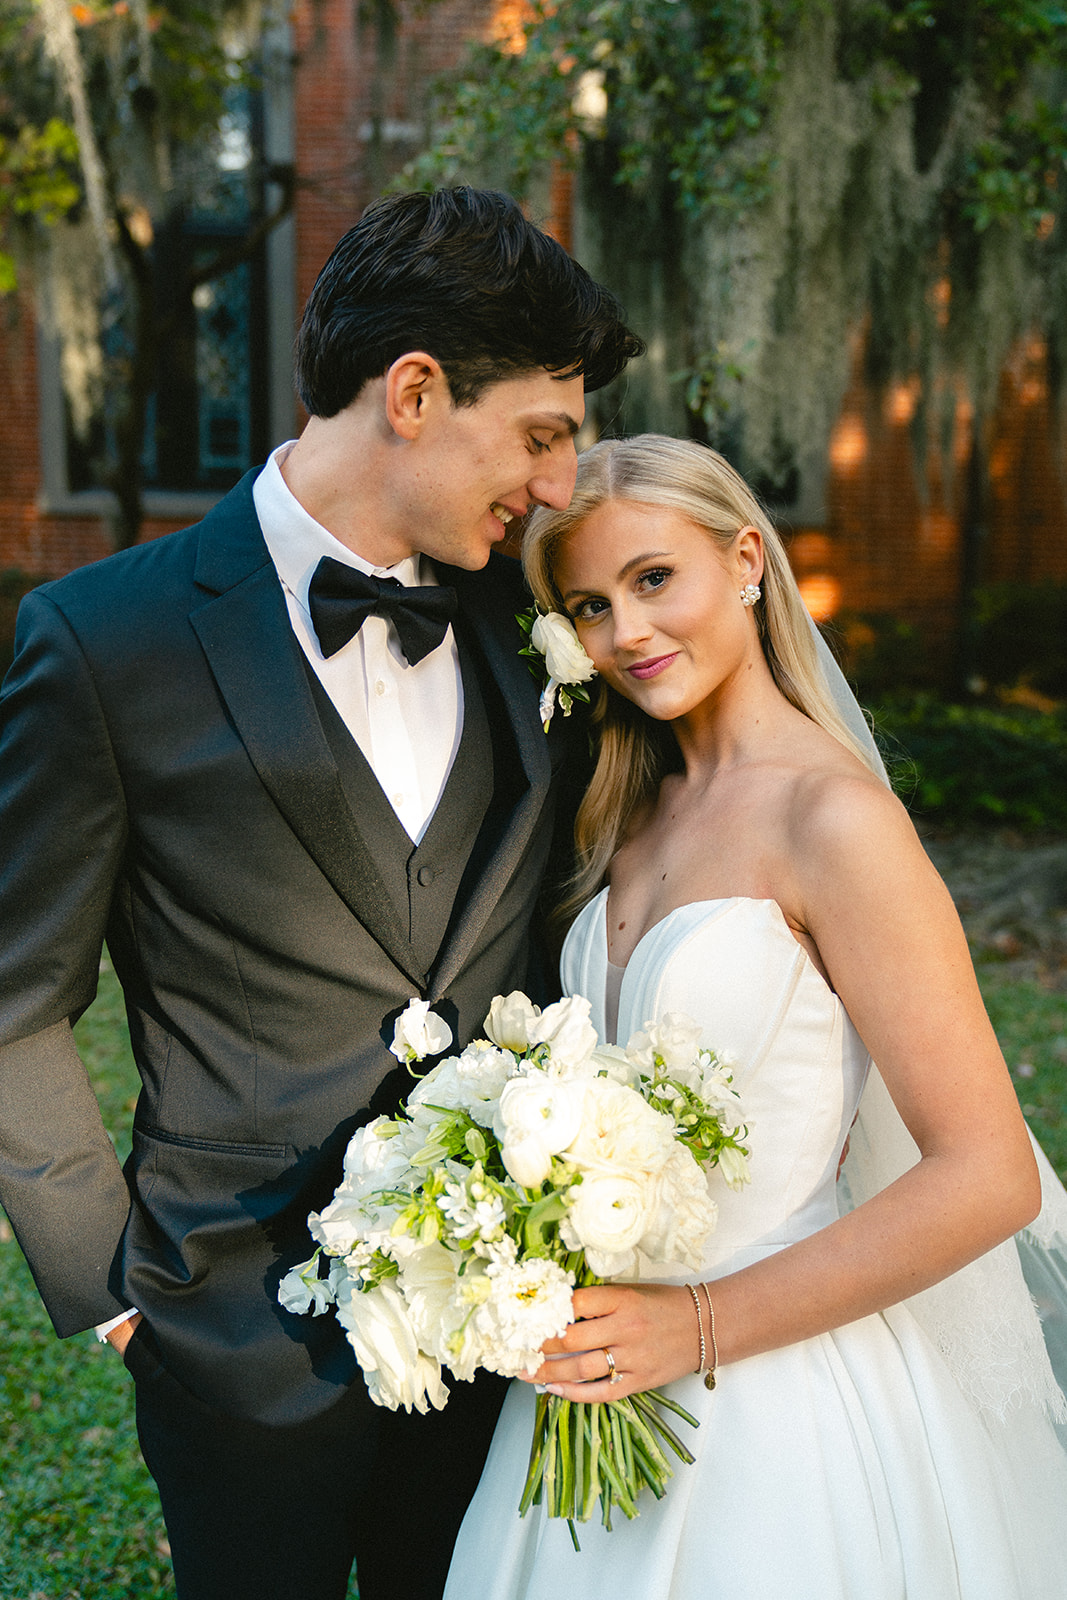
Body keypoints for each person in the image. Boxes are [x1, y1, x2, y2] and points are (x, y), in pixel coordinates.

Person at [0, 187, 642, 1600]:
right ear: (413, 392)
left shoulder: (534, 630)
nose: (551, 487)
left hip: (502, 1334)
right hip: (232, 1336)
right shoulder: (104, 643)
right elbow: (13, 999)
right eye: (538, 434)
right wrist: (110, 1290)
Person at [444, 433, 1067, 1599]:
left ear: (743, 560)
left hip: (779, 1401)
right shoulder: (618, 817)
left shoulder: (835, 822)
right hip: (593, 1381)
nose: (624, 631)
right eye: (585, 603)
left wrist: (698, 1326)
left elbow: (988, 1172)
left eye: (651, 580)